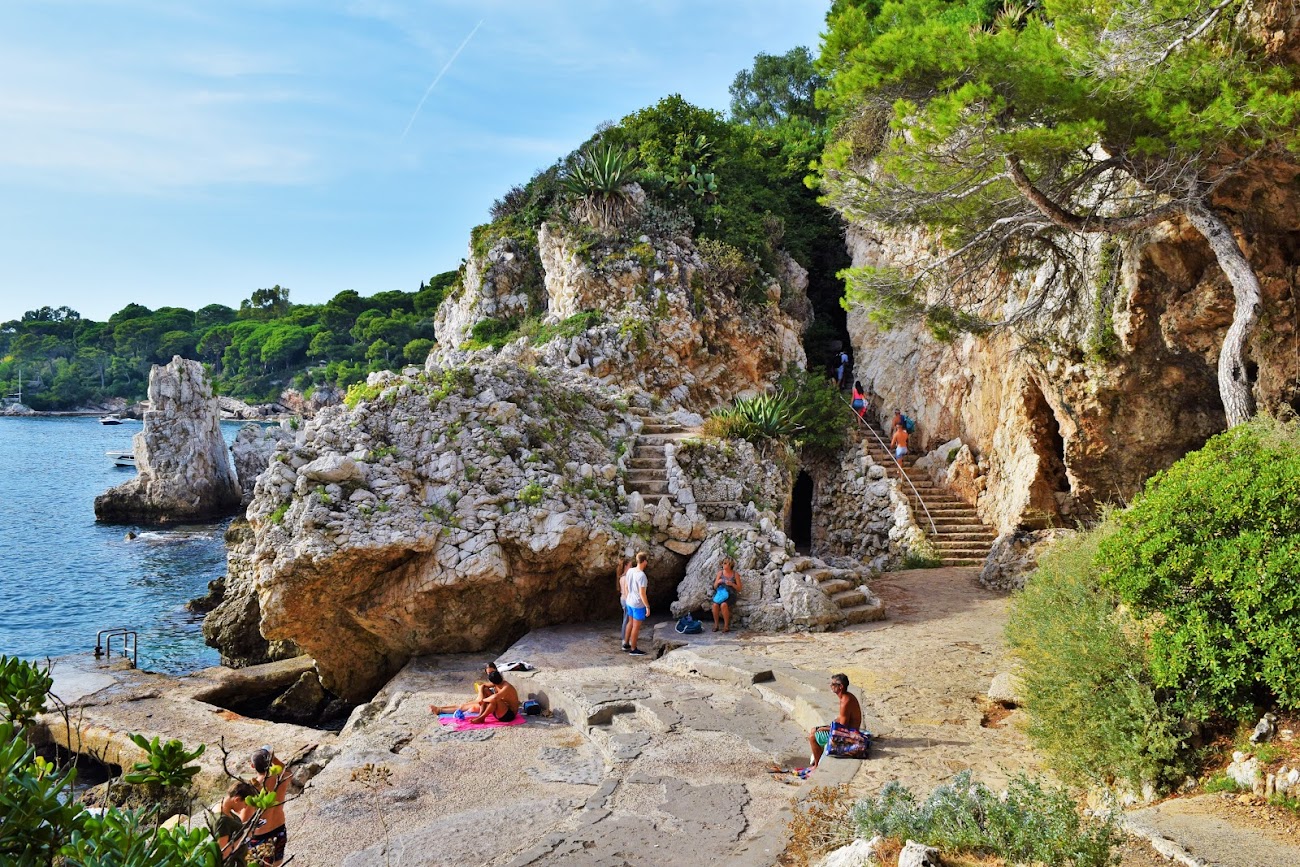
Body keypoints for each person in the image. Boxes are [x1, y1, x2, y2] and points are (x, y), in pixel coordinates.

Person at [807, 673, 864, 771]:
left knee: (812, 737)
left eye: (833, 684)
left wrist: (822, 728)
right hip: (848, 729)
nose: (830, 686)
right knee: (814, 730)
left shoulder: (845, 701)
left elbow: (841, 728)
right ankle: (819, 758)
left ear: (840, 687)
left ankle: (817, 766)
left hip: (849, 735)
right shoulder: (847, 697)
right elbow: (842, 719)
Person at [247, 746, 293, 866]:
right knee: (277, 863)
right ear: (270, 762)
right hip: (279, 828)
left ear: (252, 766)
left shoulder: (252, 788)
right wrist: (275, 759)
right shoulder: (281, 778)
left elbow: (247, 815)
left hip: (262, 833)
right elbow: (288, 771)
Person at [433, 666, 522, 723]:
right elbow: (482, 685)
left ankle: (482, 717)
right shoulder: (496, 682)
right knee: (468, 704)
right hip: (498, 708)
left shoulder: (506, 687)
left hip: (508, 714)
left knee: (492, 700)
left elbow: (495, 697)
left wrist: (482, 700)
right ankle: (440, 709)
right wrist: (480, 696)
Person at [216, 779, 259, 864]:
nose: (244, 808)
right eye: (245, 804)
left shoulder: (222, 809)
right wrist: (245, 836)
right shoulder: (223, 820)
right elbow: (223, 853)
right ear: (237, 800)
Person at [622, 551, 650, 656]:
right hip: (638, 604)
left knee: (630, 622)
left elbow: (626, 586)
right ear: (644, 562)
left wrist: (628, 596)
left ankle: (625, 643)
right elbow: (642, 594)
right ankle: (633, 649)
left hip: (629, 601)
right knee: (636, 627)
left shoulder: (630, 571)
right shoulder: (642, 576)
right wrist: (647, 606)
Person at [711, 556, 743, 633]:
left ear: (730, 564)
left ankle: (726, 626)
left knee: (723, 605)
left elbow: (739, 588)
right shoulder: (720, 573)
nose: (723, 565)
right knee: (715, 605)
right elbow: (715, 587)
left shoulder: (735, 574)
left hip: (730, 595)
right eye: (723, 563)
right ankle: (716, 624)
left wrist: (732, 584)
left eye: (725, 563)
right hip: (720, 594)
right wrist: (718, 582)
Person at [616, 557, 632, 649]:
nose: (632, 567)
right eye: (630, 565)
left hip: (623, 599)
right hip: (626, 600)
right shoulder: (625, 577)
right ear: (626, 566)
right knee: (627, 620)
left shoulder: (622, 576)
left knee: (626, 620)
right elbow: (626, 591)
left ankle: (626, 639)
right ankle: (625, 640)